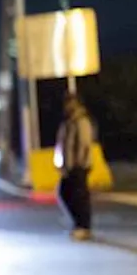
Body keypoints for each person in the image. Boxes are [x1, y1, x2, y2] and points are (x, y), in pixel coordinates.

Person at [56, 94, 95, 240]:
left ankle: (84, 226)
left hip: (79, 166)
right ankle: (77, 223)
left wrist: (79, 163)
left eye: (70, 103)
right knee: (64, 193)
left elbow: (85, 144)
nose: (67, 106)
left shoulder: (81, 121)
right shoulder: (68, 122)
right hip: (68, 166)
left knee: (80, 197)